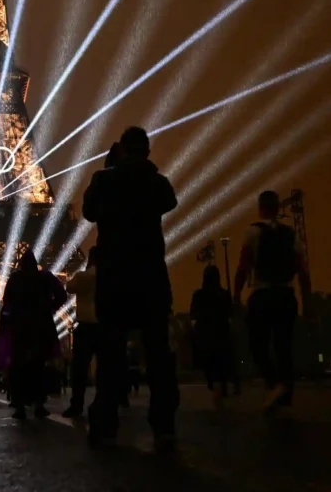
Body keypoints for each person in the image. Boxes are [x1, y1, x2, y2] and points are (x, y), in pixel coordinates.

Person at [82, 126, 180, 446]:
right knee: (158, 353)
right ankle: (164, 424)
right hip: (150, 276)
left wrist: (111, 169)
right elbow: (169, 202)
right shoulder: (157, 182)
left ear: (121, 150)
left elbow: (88, 212)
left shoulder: (104, 180)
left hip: (115, 277)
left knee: (111, 353)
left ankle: (106, 422)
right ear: (147, 152)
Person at [234, 190, 308, 414]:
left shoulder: (253, 232)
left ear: (260, 208)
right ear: (278, 208)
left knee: (257, 345)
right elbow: (302, 270)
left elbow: (244, 265)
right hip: (286, 294)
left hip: (262, 294)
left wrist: (236, 295)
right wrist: (308, 302)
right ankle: (284, 394)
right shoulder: (291, 234)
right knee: (284, 346)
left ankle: (274, 383)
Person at [0, 250, 66, 419]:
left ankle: (20, 406)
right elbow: (62, 295)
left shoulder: (15, 279)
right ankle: (39, 404)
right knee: (38, 365)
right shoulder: (45, 277)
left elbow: (6, 301)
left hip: (20, 327)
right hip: (41, 326)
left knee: (18, 367)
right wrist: (49, 307)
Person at [62, 247, 99, 418]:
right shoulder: (113, 277)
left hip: (86, 326)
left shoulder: (84, 276)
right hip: (104, 326)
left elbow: (69, 287)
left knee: (79, 369)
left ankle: (76, 405)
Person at [190, 265, 234, 407]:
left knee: (208, 363)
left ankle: (215, 385)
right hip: (221, 333)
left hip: (204, 334)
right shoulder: (224, 294)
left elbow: (193, 314)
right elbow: (230, 313)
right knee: (221, 362)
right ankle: (220, 385)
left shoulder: (198, 295)